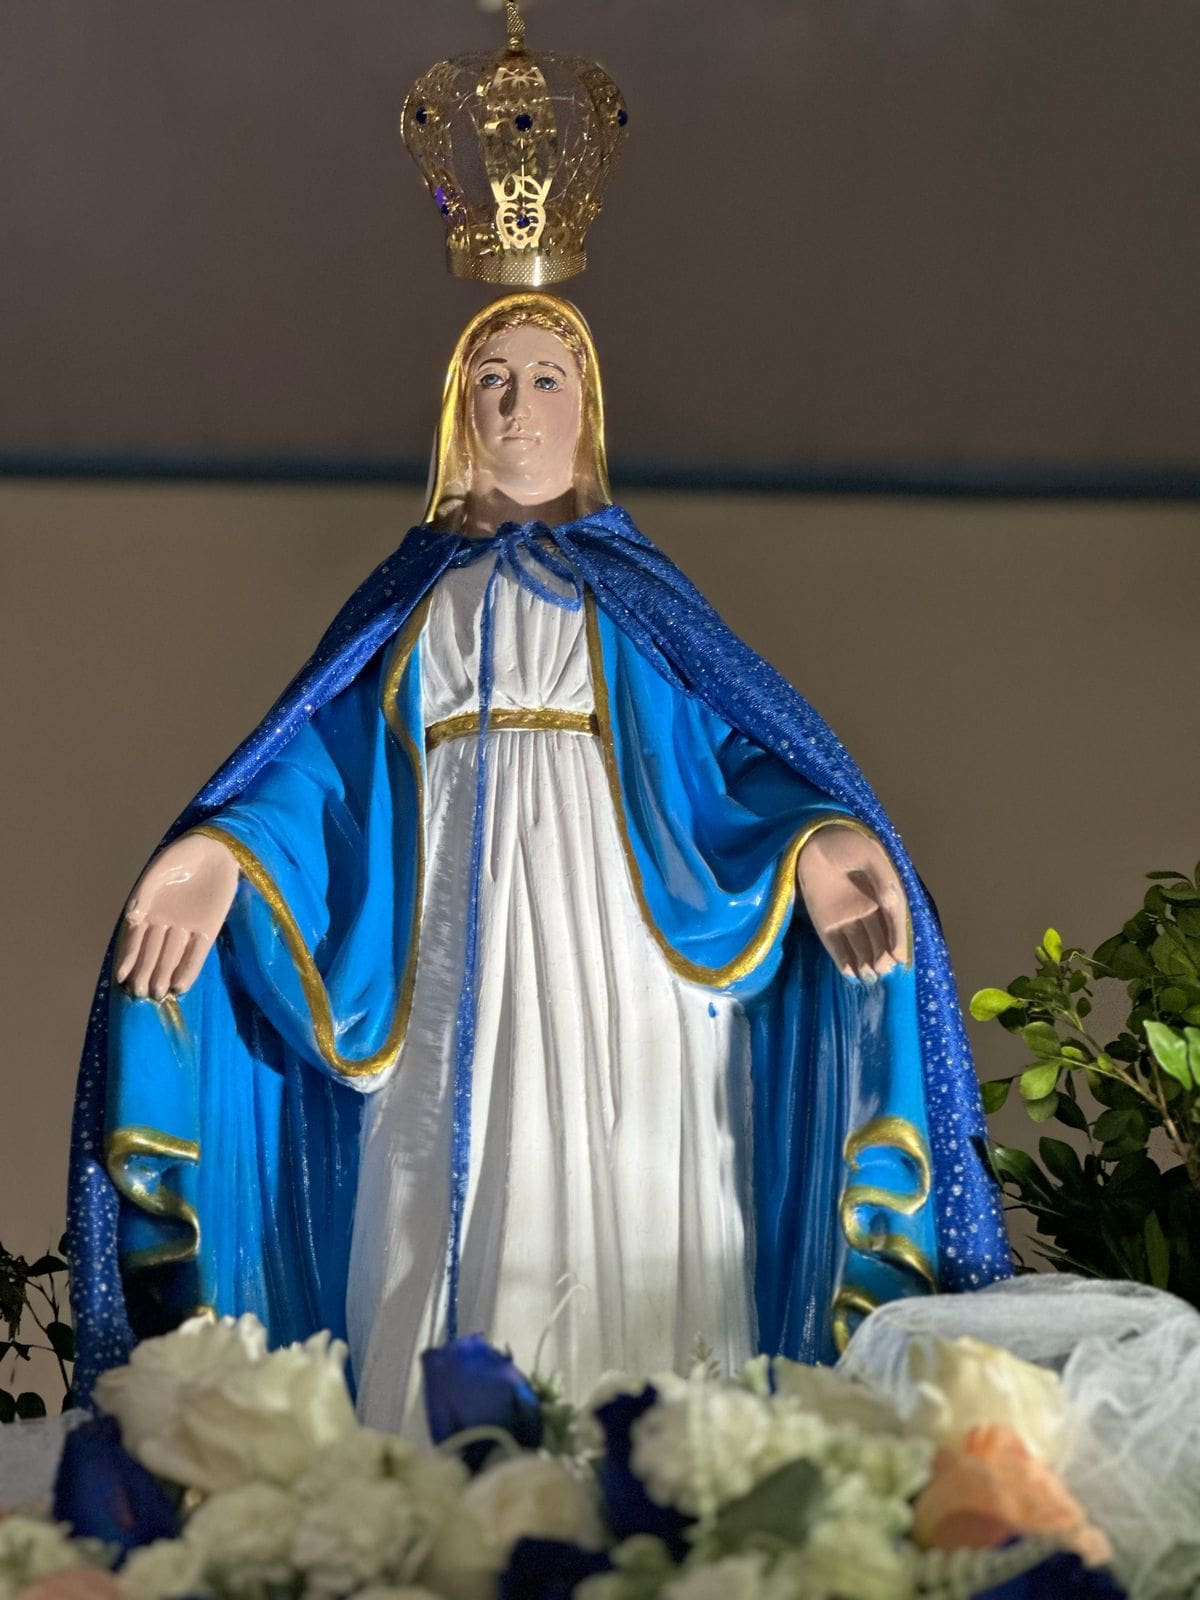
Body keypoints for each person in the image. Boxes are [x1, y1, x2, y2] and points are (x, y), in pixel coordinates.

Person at [68, 292, 1010, 1422]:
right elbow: (321, 776)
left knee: (635, 1178)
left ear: (589, 413)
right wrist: (226, 850)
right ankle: (432, 1482)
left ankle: (658, 1472)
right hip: (448, 963)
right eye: (493, 379)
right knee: (433, 1184)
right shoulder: (411, 606)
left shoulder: (630, 599)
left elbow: (727, 755)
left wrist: (816, 837)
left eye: (547, 379)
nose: (518, 404)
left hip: (627, 957)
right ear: (456, 413)